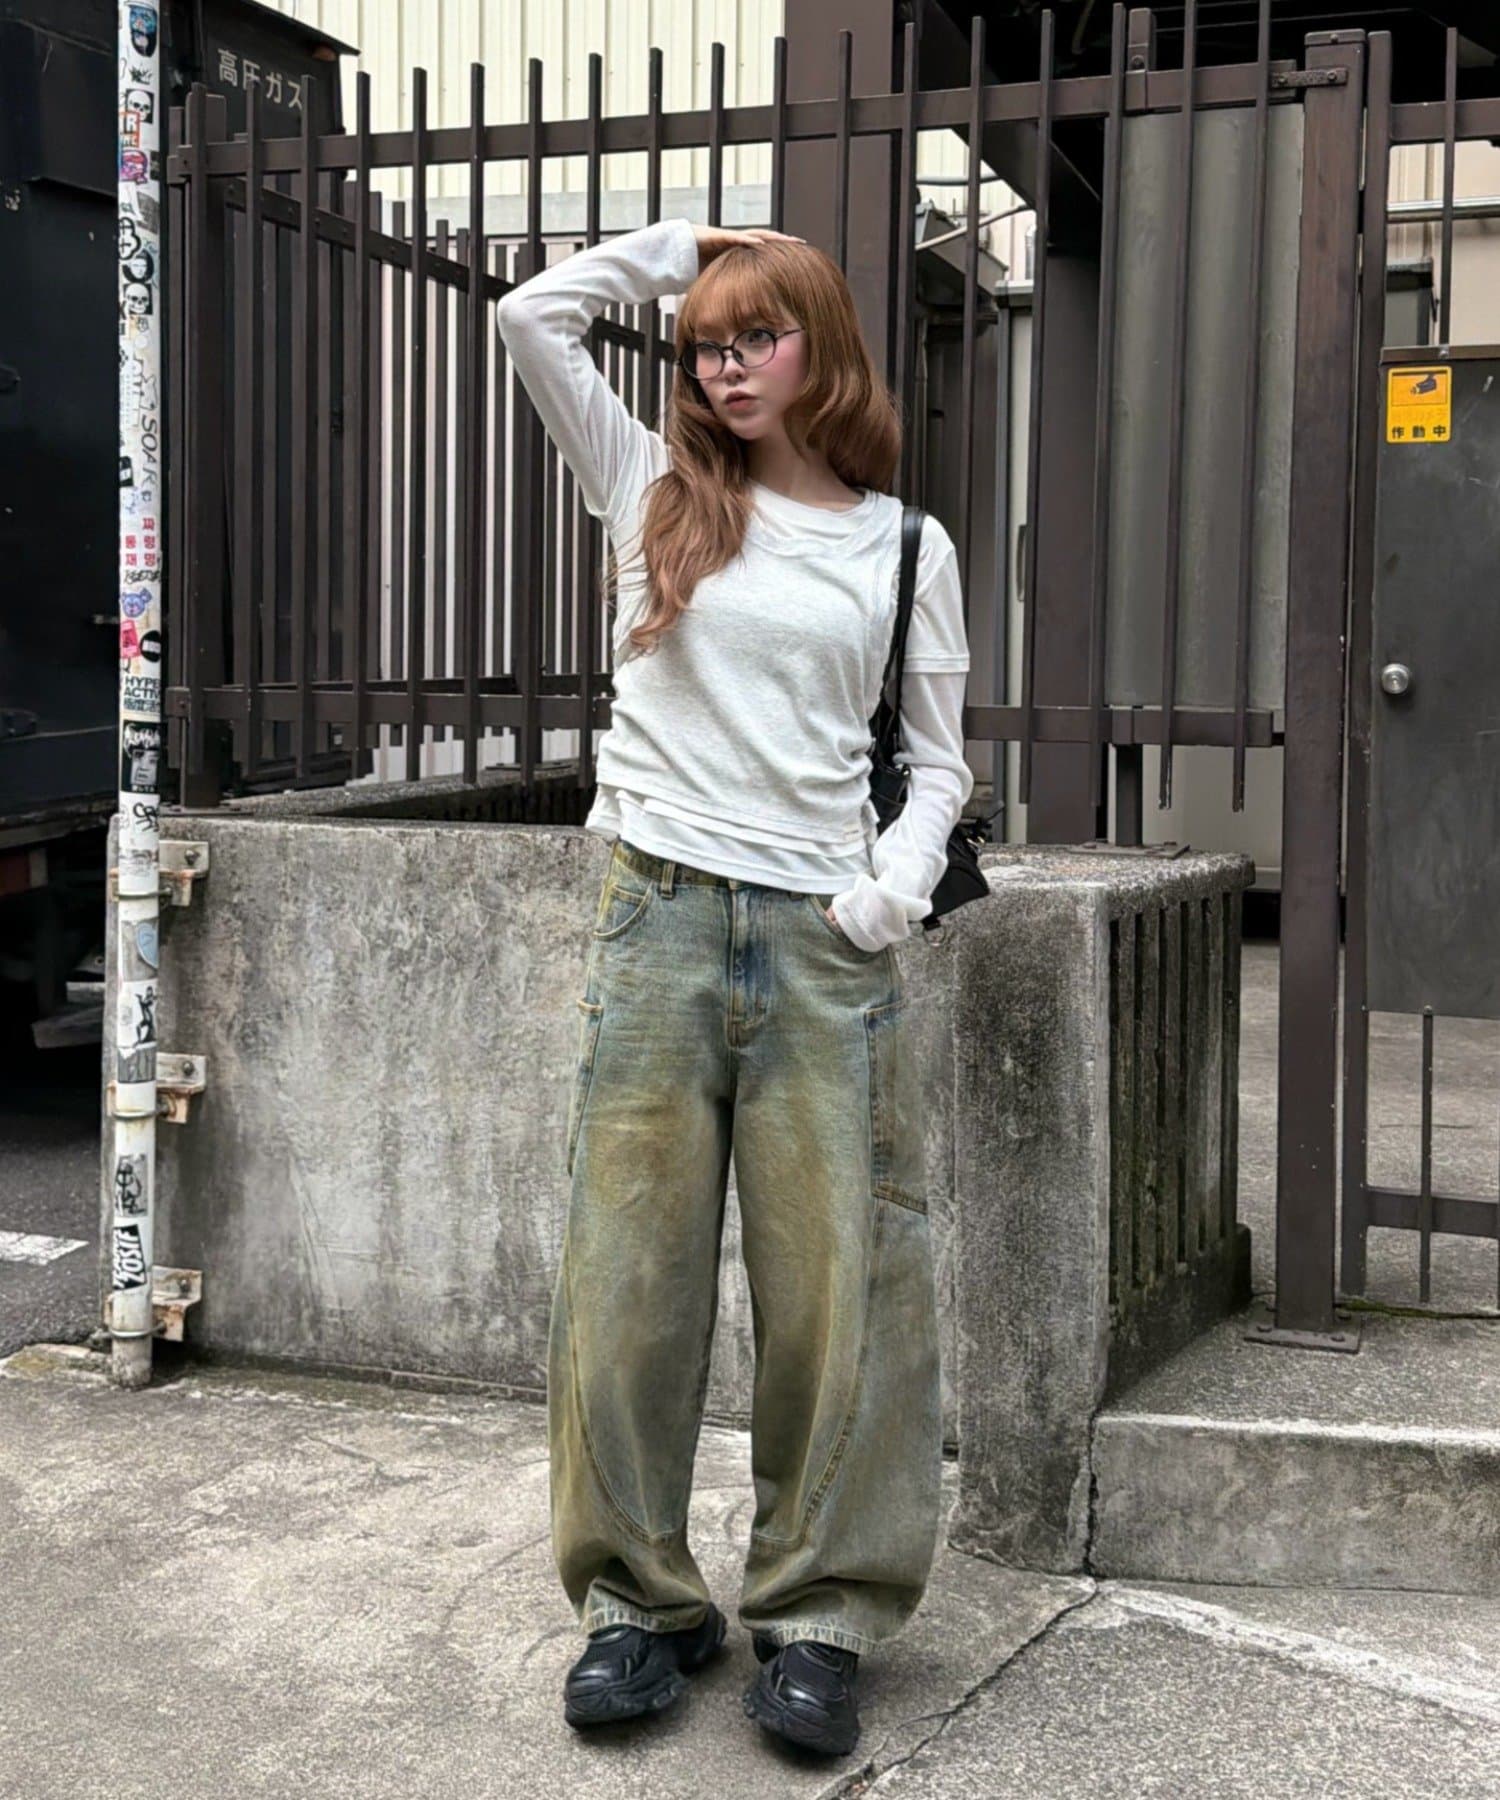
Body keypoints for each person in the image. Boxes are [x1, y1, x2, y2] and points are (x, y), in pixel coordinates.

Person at [496, 216, 973, 1759]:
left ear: (821, 342)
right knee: (626, 1281)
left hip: (826, 948)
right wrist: (684, 248)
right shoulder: (650, 485)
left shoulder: (906, 547)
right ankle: (636, 1606)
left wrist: (892, 890)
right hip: (658, 924)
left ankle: (822, 1616)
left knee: (842, 1285)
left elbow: (941, 765)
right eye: (706, 343)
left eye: (757, 334)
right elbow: (529, 318)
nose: (723, 366)